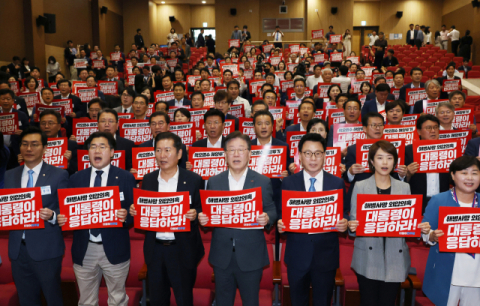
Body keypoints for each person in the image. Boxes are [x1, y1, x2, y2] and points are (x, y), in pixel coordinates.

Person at [348, 140, 431, 306]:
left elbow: (408, 223)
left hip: (395, 257)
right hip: (367, 256)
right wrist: (352, 226)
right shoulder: (360, 186)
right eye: (379, 158)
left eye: (389, 158)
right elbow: (353, 227)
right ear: (371, 161)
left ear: (395, 161)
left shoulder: (404, 188)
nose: (385, 162)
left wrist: (421, 229)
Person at [198, 131, 277, 305]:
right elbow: (208, 215)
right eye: (231, 150)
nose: (236, 154)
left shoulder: (262, 181)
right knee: (223, 302)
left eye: (240, 150)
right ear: (225, 154)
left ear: (249, 153)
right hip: (222, 256)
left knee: (250, 302)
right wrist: (203, 220)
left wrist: (267, 218)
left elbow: (272, 210)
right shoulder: (214, 182)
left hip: (251, 255)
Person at [57, 132, 135, 306]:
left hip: (115, 248)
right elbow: (68, 211)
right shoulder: (76, 178)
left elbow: (134, 213)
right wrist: (63, 218)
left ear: (112, 152)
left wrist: (126, 216)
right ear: (88, 152)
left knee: (117, 299)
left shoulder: (125, 177)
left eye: (102, 146)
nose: (97, 150)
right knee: (86, 301)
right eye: (93, 147)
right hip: (84, 248)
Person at [129, 132, 205, 306]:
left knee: (184, 299)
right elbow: (143, 208)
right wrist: (135, 210)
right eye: (158, 150)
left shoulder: (193, 179)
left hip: (182, 249)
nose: (162, 155)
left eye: (167, 150)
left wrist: (195, 213)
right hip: (155, 250)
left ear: (179, 154)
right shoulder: (148, 180)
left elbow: (202, 209)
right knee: (157, 299)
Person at [277, 133, 348, 306]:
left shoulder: (336, 183)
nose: (313, 158)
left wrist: (344, 223)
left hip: (326, 257)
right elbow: (281, 215)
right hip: (297, 256)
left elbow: (345, 213)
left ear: (324, 155)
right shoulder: (288, 183)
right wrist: (280, 223)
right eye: (308, 153)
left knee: (323, 302)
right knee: (297, 301)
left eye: (318, 153)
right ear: (300, 155)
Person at [6, 126, 69, 306]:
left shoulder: (59, 175)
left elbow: (66, 211)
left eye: (34, 144)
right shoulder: (10, 175)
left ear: (44, 148)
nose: (29, 149)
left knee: (53, 298)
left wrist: (53, 215)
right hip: (18, 249)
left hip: (47, 249)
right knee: (26, 299)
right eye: (25, 144)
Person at [420, 156, 480, 306]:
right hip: (447, 273)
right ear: (453, 175)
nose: (470, 178)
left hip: (476, 274)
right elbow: (424, 230)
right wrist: (432, 235)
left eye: (475, 173)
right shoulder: (439, 200)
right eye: (464, 173)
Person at [403, 114, 450, 213]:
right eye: (428, 128)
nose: (433, 131)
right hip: (418, 200)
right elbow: (400, 180)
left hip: (442, 200)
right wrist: (408, 174)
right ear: (419, 131)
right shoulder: (408, 150)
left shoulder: (448, 149)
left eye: (435, 127)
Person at [343, 112, 385, 213]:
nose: (377, 128)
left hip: (385, 194)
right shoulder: (354, 149)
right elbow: (347, 178)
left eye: (380, 125)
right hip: (361, 194)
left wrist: (402, 175)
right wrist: (351, 172)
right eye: (374, 125)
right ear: (364, 129)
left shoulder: (391, 148)